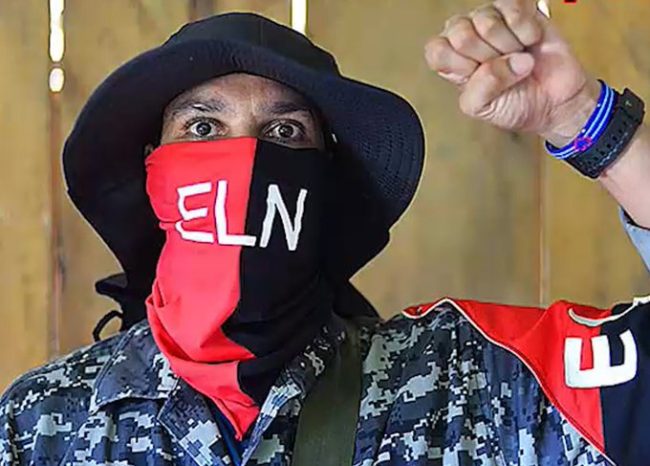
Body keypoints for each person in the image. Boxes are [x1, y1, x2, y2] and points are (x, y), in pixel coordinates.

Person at [2, 2, 650, 465]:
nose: (245, 159)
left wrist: (584, 119)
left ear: (324, 184)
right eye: (202, 128)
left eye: (284, 133)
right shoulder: (41, 424)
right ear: (154, 172)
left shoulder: (465, 383)